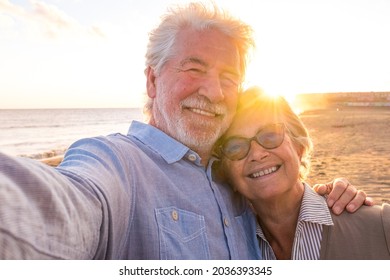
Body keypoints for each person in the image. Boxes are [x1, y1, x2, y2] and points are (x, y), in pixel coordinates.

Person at [0, 2, 368, 260]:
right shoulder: (117, 165)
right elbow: (67, 203)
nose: (213, 91)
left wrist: (327, 197)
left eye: (229, 78)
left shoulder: (235, 174)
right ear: (153, 80)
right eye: (194, 69)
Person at [216, 86, 390, 259]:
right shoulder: (231, 251)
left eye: (271, 135)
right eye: (235, 146)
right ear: (227, 171)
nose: (257, 154)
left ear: (298, 148)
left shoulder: (381, 227)